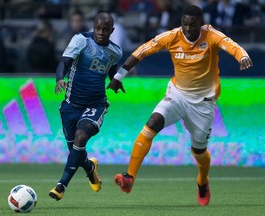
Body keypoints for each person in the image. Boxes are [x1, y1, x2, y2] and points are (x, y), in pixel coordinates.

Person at [107, 5, 253, 206]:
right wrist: (119, 75)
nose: (187, 29)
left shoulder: (211, 35)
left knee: (198, 151)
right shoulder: (173, 36)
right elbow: (142, 51)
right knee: (152, 123)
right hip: (177, 95)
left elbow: (232, 45)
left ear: (201, 23)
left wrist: (242, 56)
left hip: (203, 104)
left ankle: (202, 182)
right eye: (184, 24)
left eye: (192, 25)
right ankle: (129, 177)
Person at [49, 12, 123, 201]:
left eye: (105, 30)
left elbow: (111, 69)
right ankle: (90, 168)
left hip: (95, 104)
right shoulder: (81, 41)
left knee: (81, 138)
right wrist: (59, 78)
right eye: (98, 28)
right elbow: (64, 62)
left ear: (111, 31)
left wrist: (115, 80)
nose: (100, 32)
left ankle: (61, 186)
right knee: (76, 151)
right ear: (93, 27)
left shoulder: (115, 52)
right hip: (70, 105)